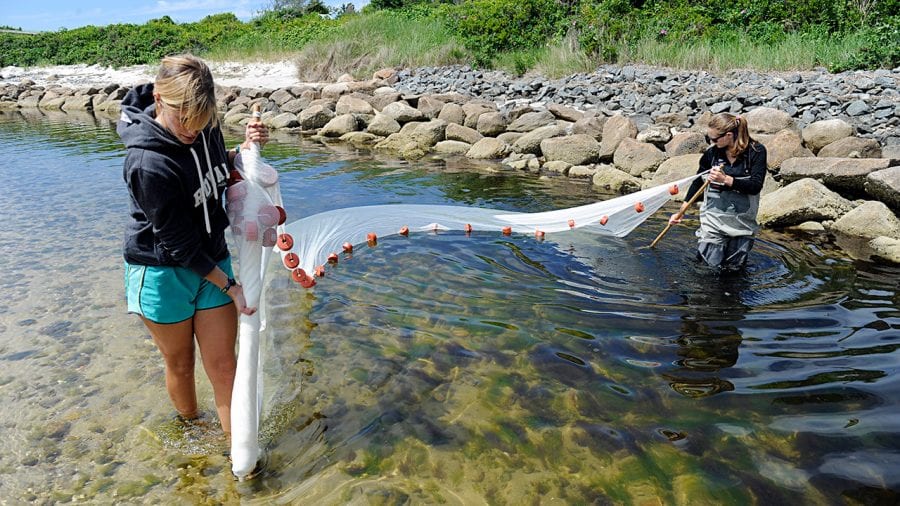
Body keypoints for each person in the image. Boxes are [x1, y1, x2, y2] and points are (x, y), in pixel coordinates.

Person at [118, 54, 269, 438]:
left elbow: (213, 166)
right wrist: (231, 286)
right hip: (161, 270)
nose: (190, 128)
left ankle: (241, 454)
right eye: (182, 117)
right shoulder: (147, 163)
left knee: (224, 367)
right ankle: (191, 427)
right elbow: (180, 245)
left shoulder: (205, 125)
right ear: (158, 97)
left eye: (199, 119)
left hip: (211, 258)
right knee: (181, 363)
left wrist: (243, 151)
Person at [669, 112, 767, 270]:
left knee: (734, 273)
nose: (712, 143)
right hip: (712, 222)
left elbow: (756, 186)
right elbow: (697, 183)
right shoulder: (711, 154)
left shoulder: (756, 152)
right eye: (709, 139)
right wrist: (681, 211)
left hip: (742, 224)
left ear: (729, 135)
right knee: (706, 270)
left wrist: (726, 180)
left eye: (714, 139)